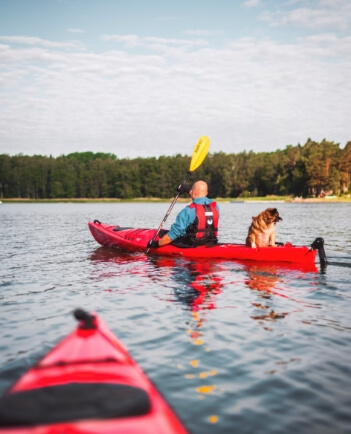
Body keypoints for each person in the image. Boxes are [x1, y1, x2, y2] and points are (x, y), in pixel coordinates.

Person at [147, 180, 219, 248]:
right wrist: (187, 189)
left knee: (162, 233)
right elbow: (200, 198)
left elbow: (173, 234)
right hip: (211, 242)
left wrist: (156, 244)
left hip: (192, 244)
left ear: (193, 193)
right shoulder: (215, 206)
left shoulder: (188, 211)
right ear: (206, 193)